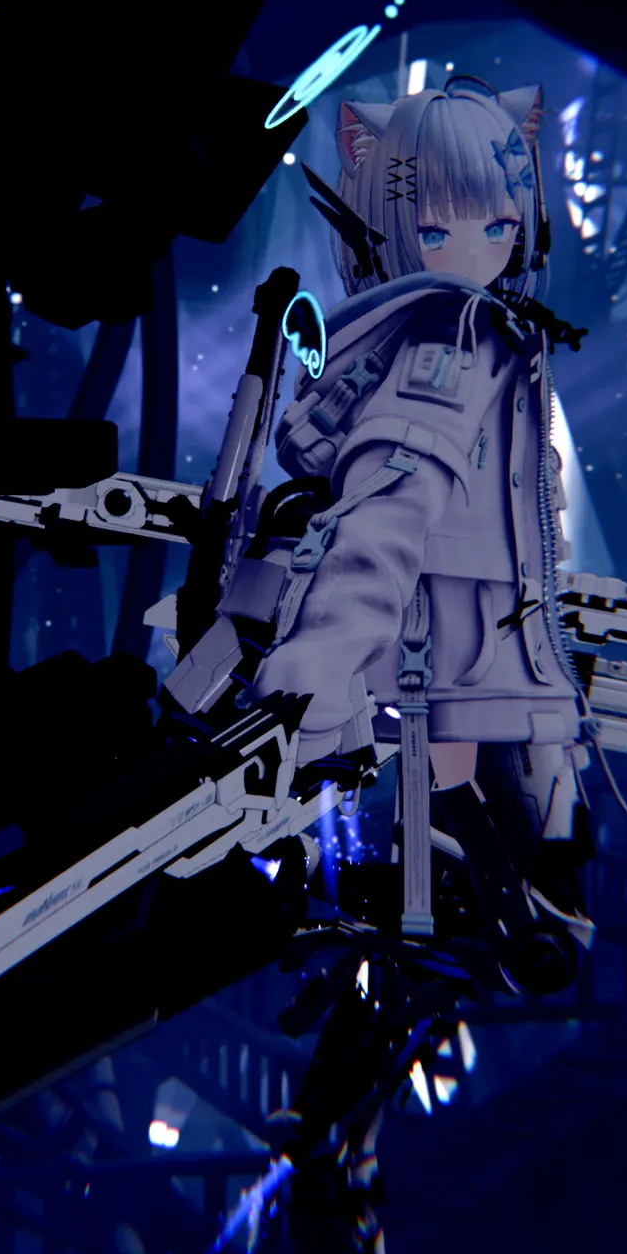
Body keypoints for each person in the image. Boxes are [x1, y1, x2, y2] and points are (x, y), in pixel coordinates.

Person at [250, 74, 596, 935]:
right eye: (435, 230)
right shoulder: (451, 342)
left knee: (526, 834)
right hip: (444, 647)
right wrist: (322, 658)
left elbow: (520, 505)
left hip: (494, 640)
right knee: (465, 824)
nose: (473, 249)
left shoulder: (491, 335)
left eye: (497, 225)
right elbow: (389, 506)